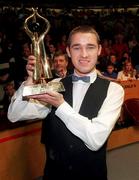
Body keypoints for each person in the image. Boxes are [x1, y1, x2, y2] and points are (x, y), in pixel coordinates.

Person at [8, 25, 124, 180]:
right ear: (68, 51)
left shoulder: (114, 90)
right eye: (77, 48)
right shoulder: (55, 84)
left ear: (99, 50)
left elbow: (95, 140)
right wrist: (29, 80)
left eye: (90, 47)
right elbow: (14, 115)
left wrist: (61, 105)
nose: (84, 54)